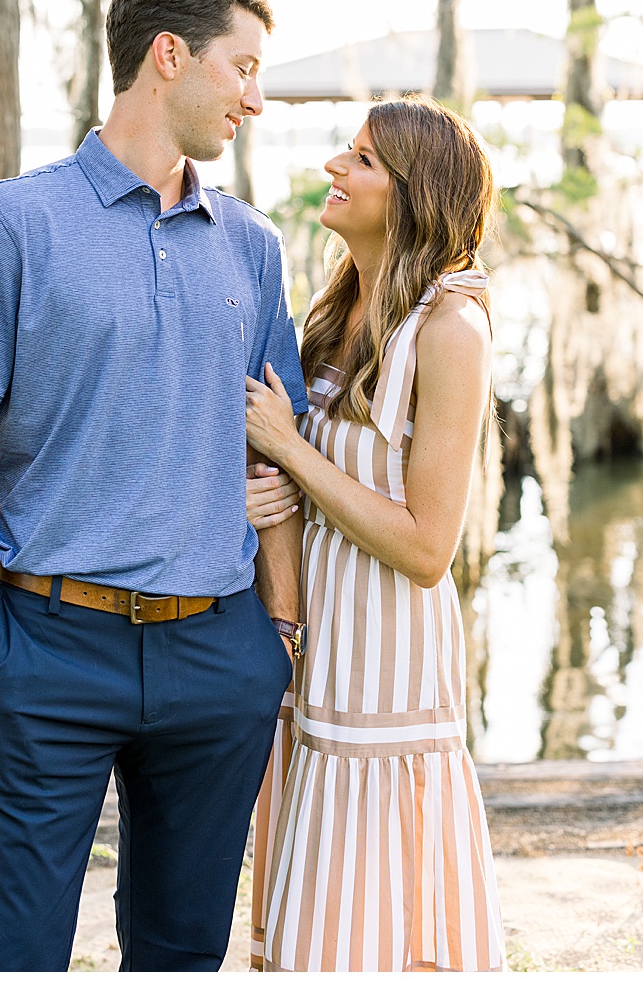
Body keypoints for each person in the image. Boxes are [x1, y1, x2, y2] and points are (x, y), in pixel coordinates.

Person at [0, 0, 309, 971]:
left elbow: (276, 458)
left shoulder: (255, 247)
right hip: (46, 648)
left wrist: (276, 631)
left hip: (218, 653)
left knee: (182, 955)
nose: (256, 99)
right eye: (244, 67)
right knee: (10, 957)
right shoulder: (14, 221)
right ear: (168, 56)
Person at [241, 96, 506, 971]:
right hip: (313, 661)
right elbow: (289, 476)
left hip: (384, 682)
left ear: (412, 192)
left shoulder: (450, 328)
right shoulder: (337, 309)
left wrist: (289, 449)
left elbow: (430, 550)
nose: (333, 169)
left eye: (359, 160)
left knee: (363, 940)